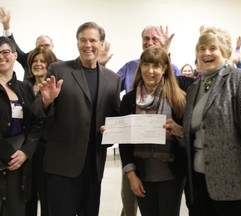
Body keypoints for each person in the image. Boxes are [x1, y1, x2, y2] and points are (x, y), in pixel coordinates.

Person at [163, 27, 241, 216]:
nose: (206, 53)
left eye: (213, 48)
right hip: (199, 180)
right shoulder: (195, 88)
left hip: (234, 183)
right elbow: (203, 129)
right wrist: (181, 130)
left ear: (226, 52)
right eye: (202, 48)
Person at [32, 21, 121, 216]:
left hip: (94, 166)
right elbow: (37, 111)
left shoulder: (113, 79)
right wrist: (46, 101)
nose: (87, 45)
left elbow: (115, 117)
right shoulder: (59, 69)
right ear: (77, 43)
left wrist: (111, 132)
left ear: (102, 44)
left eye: (93, 40)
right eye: (83, 40)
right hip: (62, 165)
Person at [117, 25, 181, 216]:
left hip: (172, 174)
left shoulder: (177, 96)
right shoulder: (129, 98)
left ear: (164, 68)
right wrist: (131, 175)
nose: (150, 70)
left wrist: (180, 130)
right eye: (146, 65)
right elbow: (124, 141)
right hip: (141, 172)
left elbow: (188, 131)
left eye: (156, 66)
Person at [0, 7, 112, 81]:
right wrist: (6, 26)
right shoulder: (28, 60)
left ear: (53, 46)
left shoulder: (63, 67)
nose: (43, 49)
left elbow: (84, 78)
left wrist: (100, 65)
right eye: (40, 46)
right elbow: (11, 47)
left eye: (47, 45)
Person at [0, 37, 42, 216]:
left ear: (15, 55)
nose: (1, 57)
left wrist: (26, 151)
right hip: (6, 159)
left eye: (5, 52)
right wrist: (7, 154)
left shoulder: (25, 89)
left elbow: (37, 123)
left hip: (22, 164)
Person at [25, 46, 57, 216]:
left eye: (42, 61)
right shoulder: (22, 87)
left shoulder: (58, 90)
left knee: (47, 199)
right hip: (25, 152)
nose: (38, 64)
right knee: (27, 199)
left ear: (50, 64)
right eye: (35, 61)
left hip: (47, 152)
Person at [117, 25, 181, 94]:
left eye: (155, 39)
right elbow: (111, 88)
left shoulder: (173, 69)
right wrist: (103, 66)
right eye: (146, 38)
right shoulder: (129, 66)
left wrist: (165, 50)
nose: (150, 43)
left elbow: (178, 95)